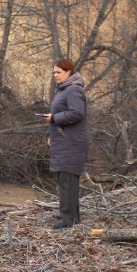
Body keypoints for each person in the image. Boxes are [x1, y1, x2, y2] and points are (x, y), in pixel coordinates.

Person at [42, 58, 89, 229]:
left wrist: (54, 118)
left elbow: (77, 113)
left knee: (68, 179)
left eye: (58, 72)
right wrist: (52, 135)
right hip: (63, 141)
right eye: (54, 72)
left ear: (69, 72)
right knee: (64, 179)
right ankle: (69, 215)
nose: (55, 75)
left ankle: (68, 220)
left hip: (72, 144)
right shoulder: (63, 90)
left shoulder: (74, 90)